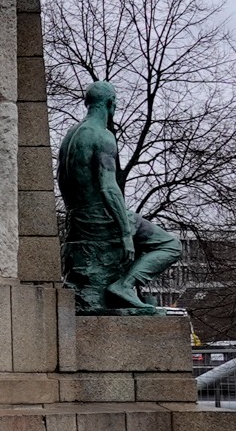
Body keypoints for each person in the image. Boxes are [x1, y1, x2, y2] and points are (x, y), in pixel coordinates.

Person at [57, 80, 178, 312]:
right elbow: (108, 187)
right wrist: (124, 232)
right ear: (111, 103)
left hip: (76, 219)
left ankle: (125, 291)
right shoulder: (103, 136)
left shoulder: (70, 136)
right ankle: (125, 285)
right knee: (171, 245)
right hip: (100, 219)